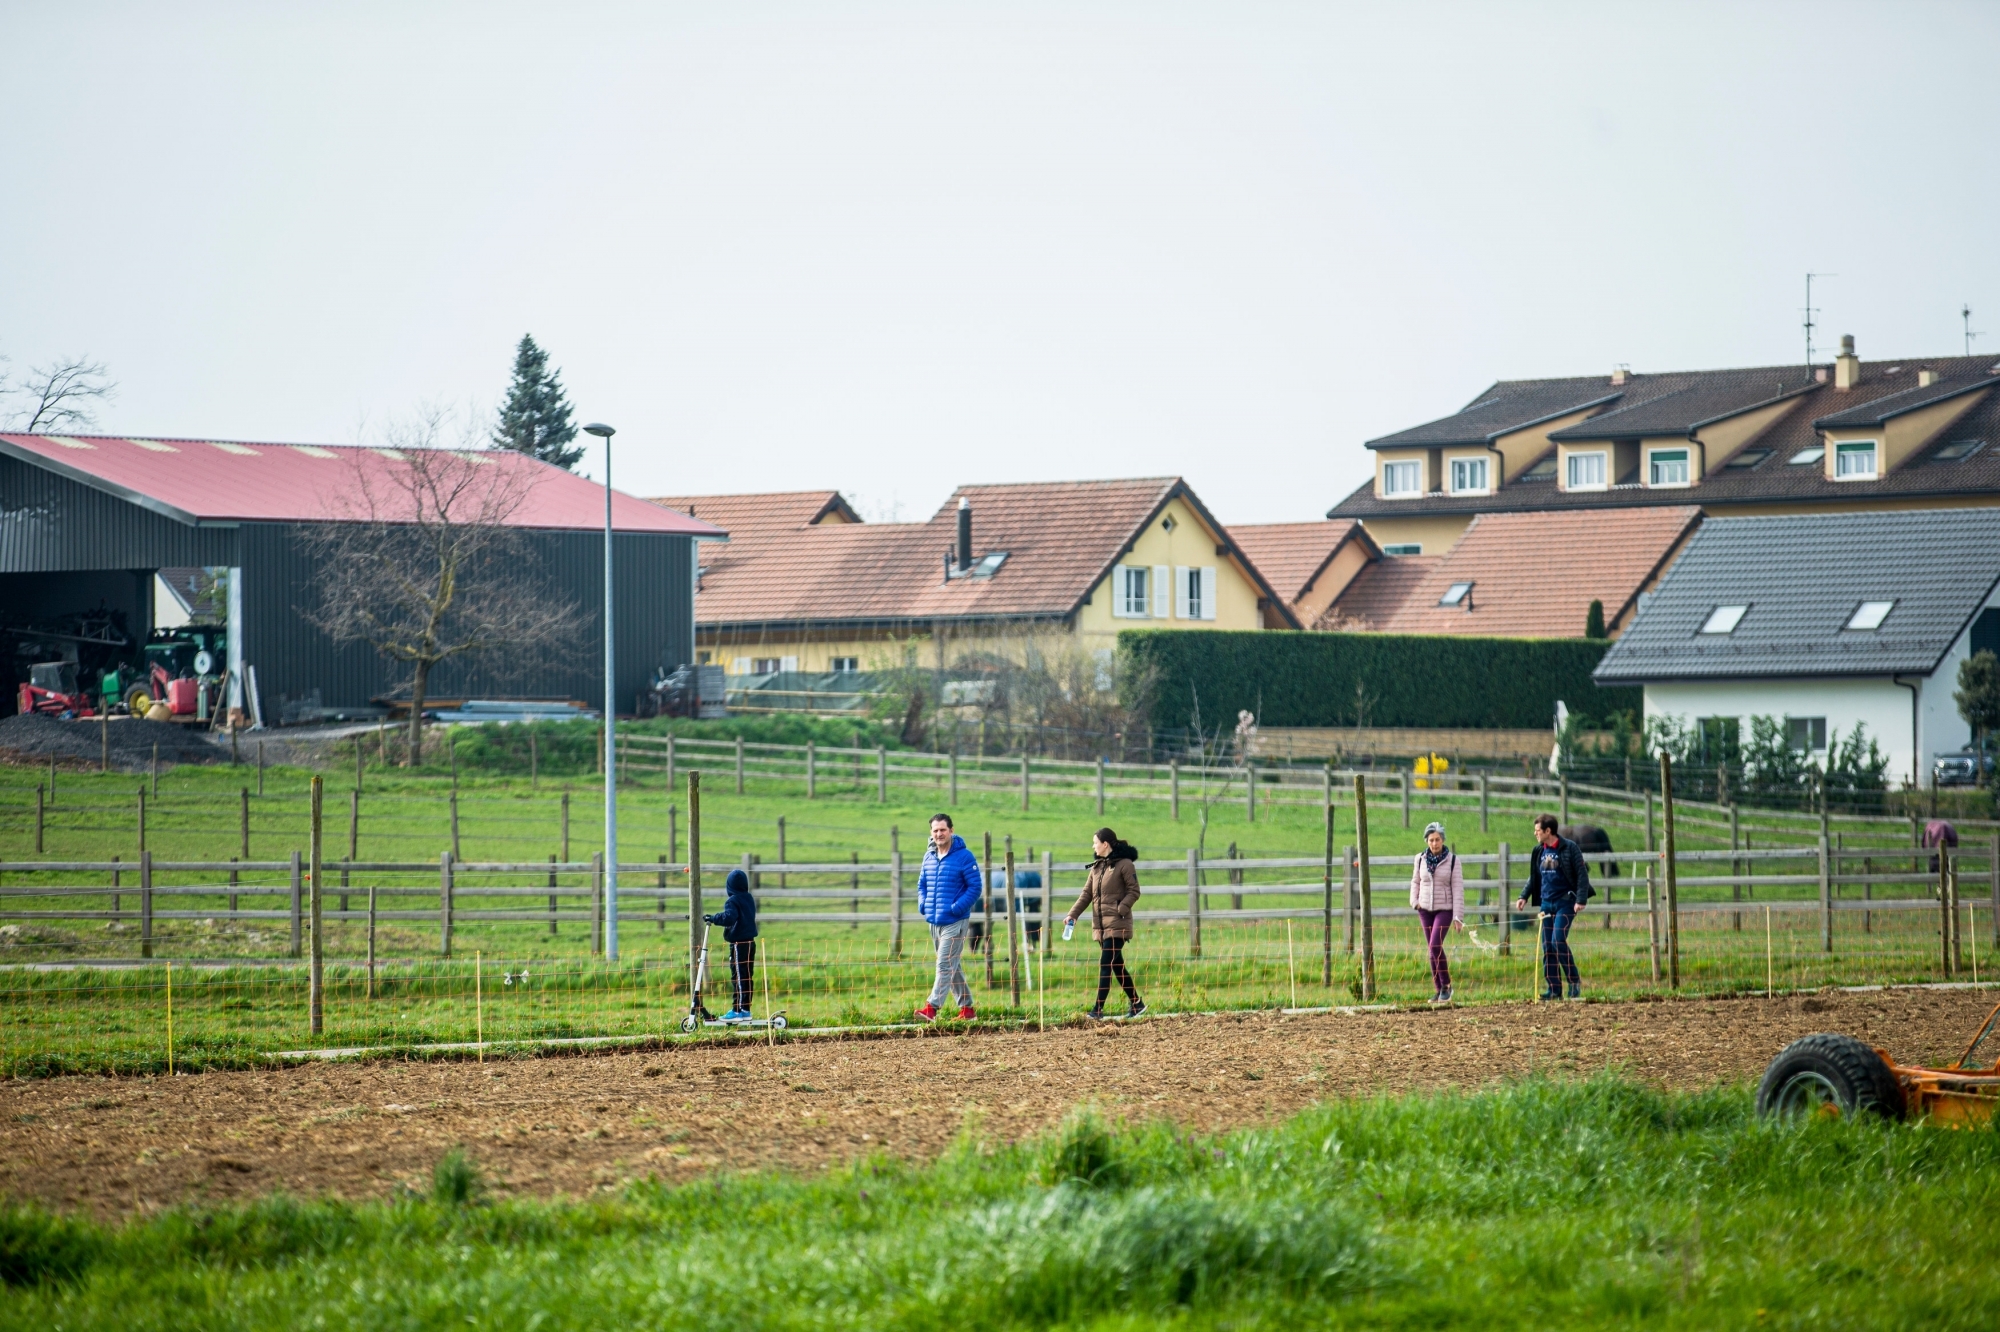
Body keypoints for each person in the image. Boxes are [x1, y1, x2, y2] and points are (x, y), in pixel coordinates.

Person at [1065, 827, 1146, 1020]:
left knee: (1105, 963)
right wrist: (1072, 915)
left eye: (1095, 842)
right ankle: (1137, 1004)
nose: (1093, 845)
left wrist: (1121, 909)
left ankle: (1097, 1010)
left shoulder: (1125, 865)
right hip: (1101, 926)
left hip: (1118, 925)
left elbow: (1134, 891)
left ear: (1105, 844)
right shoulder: (1097, 867)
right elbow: (1086, 894)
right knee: (1117, 965)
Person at [1515, 812, 1593, 999]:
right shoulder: (1539, 851)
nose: (1535, 834)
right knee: (1547, 946)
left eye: (1538, 830)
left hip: (1565, 902)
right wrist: (1524, 896)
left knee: (1558, 941)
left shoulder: (1569, 848)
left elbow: (1582, 875)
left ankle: (1573, 982)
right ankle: (1554, 989)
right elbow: (1535, 876)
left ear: (1548, 831)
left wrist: (1580, 900)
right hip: (1546, 904)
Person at [915, 813, 983, 1022]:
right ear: (931, 833)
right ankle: (967, 1010)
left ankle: (931, 1008)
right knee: (952, 965)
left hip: (955, 921)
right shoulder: (929, 856)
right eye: (935, 830)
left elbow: (975, 887)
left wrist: (957, 908)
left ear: (951, 831)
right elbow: (922, 885)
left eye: (943, 829)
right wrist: (923, 904)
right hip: (934, 921)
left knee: (944, 964)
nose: (939, 834)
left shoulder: (964, 857)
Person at [1410, 821, 1463, 1004]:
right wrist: (1415, 902)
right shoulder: (1420, 859)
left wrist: (1458, 916)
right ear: (1426, 841)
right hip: (1424, 909)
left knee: (1435, 945)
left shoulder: (1453, 861)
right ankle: (1439, 989)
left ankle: (1447, 985)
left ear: (1443, 840)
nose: (1435, 843)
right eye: (1431, 840)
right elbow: (1415, 881)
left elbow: (1458, 889)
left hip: (1444, 909)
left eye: (1438, 839)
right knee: (1432, 950)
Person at [703, 868, 759, 1021]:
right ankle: (746, 1010)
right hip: (750, 943)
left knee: (738, 977)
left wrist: (713, 918)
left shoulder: (732, 901)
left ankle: (737, 1011)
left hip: (738, 944)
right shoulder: (749, 898)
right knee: (747, 976)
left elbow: (729, 918)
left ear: (729, 887)